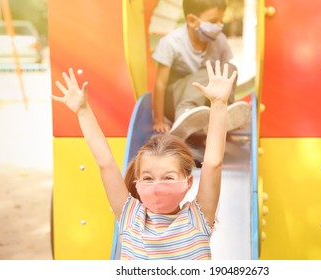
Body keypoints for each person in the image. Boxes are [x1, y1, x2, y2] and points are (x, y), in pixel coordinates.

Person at [52, 60, 237, 260]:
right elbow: (105, 162)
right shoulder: (131, 217)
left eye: (168, 177)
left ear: (188, 182)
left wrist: (219, 104)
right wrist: (83, 111)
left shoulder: (198, 219)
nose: (157, 186)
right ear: (137, 183)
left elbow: (213, 163)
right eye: (148, 178)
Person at [152, 0, 250, 140]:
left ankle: (225, 111)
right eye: (213, 21)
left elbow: (226, 76)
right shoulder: (172, 42)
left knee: (229, 69)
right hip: (175, 102)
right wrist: (159, 120)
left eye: (221, 20)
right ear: (192, 20)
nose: (219, 25)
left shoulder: (219, 40)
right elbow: (160, 83)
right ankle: (185, 113)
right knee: (209, 71)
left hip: (206, 102)